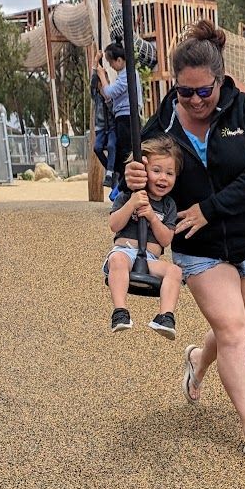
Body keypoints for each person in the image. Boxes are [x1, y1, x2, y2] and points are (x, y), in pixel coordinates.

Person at [124, 20, 245, 462]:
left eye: (203, 91)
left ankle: (197, 359)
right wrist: (132, 173)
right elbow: (140, 170)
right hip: (199, 248)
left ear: (220, 79)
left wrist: (210, 207)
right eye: (183, 92)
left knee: (235, 328)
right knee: (233, 330)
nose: (194, 101)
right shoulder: (165, 121)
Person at [104, 136, 183, 339]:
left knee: (174, 271)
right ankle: (120, 311)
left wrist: (151, 217)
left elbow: (166, 240)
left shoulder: (169, 206)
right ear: (144, 170)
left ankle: (165, 316)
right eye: (156, 171)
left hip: (150, 260)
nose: (163, 178)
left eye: (170, 173)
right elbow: (114, 225)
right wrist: (131, 204)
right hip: (125, 253)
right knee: (118, 260)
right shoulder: (127, 195)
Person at [94, 41, 133, 199]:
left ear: (119, 60)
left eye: (111, 63)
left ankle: (121, 184)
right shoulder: (122, 76)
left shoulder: (128, 75)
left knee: (124, 151)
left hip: (126, 117)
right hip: (120, 117)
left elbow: (109, 92)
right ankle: (117, 178)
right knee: (118, 150)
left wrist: (102, 76)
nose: (110, 66)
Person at [90, 56, 117, 187]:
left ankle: (110, 173)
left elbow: (113, 110)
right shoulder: (96, 97)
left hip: (111, 127)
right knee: (97, 148)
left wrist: (108, 101)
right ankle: (110, 169)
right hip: (101, 127)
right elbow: (92, 82)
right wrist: (95, 64)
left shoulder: (111, 95)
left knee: (112, 145)